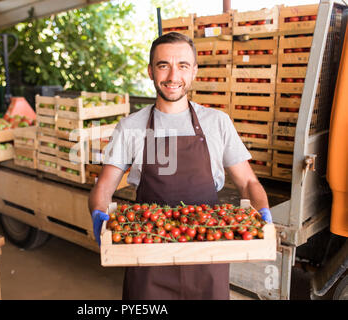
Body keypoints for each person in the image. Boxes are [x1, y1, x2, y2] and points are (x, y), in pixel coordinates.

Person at [88, 32, 272, 300]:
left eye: (183, 66)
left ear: (194, 71)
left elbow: (248, 183)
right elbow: (104, 187)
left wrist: (262, 209)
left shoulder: (217, 123)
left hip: (208, 252)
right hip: (147, 254)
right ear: (151, 71)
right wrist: (97, 212)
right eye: (164, 65)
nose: (173, 76)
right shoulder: (131, 127)